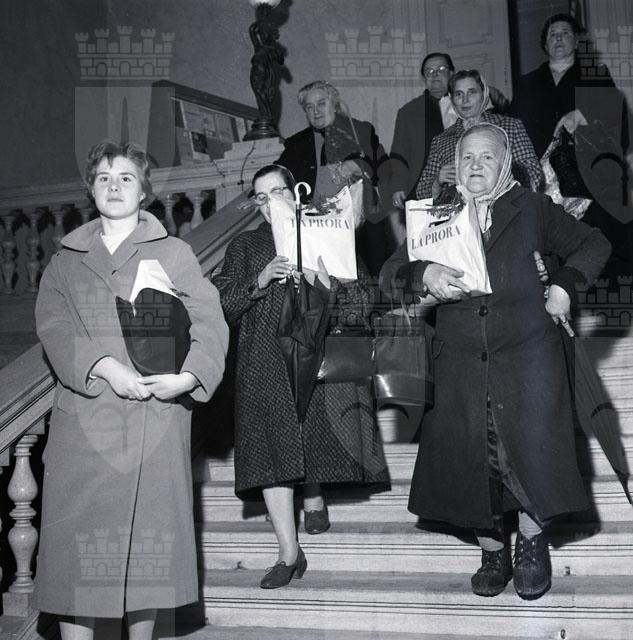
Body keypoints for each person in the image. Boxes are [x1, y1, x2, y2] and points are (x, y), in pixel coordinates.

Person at [380, 124, 610, 600]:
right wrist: (423, 272)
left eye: (487, 156)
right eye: (467, 157)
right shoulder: (436, 213)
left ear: (506, 162)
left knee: (527, 453)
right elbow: (389, 273)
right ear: (455, 164)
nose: (476, 165)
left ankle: (530, 542)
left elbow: (594, 244)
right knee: (473, 458)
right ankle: (491, 550)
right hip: (460, 363)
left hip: (529, 357)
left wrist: (564, 285)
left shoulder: (532, 207)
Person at [33, 141, 229, 639]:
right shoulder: (64, 261)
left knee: (147, 564)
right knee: (79, 563)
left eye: (126, 177)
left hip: (154, 424)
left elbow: (210, 321)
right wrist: (102, 366)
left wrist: (189, 377)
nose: (114, 186)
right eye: (103, 177)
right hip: (85, 425)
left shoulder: (174, 252)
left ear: (144, 191)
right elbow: (53, 327)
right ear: (90, 190)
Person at [213, 164, 389, 589]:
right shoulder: (245, 245)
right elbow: (222, 305)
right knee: (271, 451)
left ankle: (313, 493)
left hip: (319, 357)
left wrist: (330, 285)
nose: (269, 201)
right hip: (264, 361)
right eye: (261, 196)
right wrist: (259, 280)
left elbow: (364, 302)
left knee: (310, 435)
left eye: (277, 191)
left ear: (297, 193)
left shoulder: (327, 230)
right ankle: (288, 553)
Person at [510, 12, 630, 275]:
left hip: (588, 177)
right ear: (545, 44)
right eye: (553, 34)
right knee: (552, 250)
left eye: (565, 33)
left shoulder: (596, 75)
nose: (558, 38)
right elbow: (515, 130)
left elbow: (617, 114)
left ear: (576, 41)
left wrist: (582, 113)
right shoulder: (528, 83)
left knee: (601, 247)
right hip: (542, 179)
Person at [276, 80, 390, 276]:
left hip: (362, 227)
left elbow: (385, 169)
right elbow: (278, 174)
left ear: (334, 105)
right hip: (318, 228)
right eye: (309, 107)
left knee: (372, 280)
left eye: (321, 103)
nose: (316, 111)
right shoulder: (296, 143)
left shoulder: (360, 130)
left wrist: (358, 165)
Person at [389, 52, 510, 210]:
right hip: (431, 191)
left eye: (441, 69)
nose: (435, 75)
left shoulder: (479, 101)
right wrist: (398, 185)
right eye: (429, 72)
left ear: (452, 73)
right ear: (424, 79)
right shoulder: (408, 112)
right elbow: (399, 152)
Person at [415, 70, 543, 200]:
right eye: (458, 94)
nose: (465, 100)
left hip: (505, 206)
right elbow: (420, 193)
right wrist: (438, 182)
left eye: (472, 92)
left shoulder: (510, 126)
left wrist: (501, 175)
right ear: (452, 100)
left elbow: (534, 174)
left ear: (484, 94)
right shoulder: (442, 140)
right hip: (458, 210)